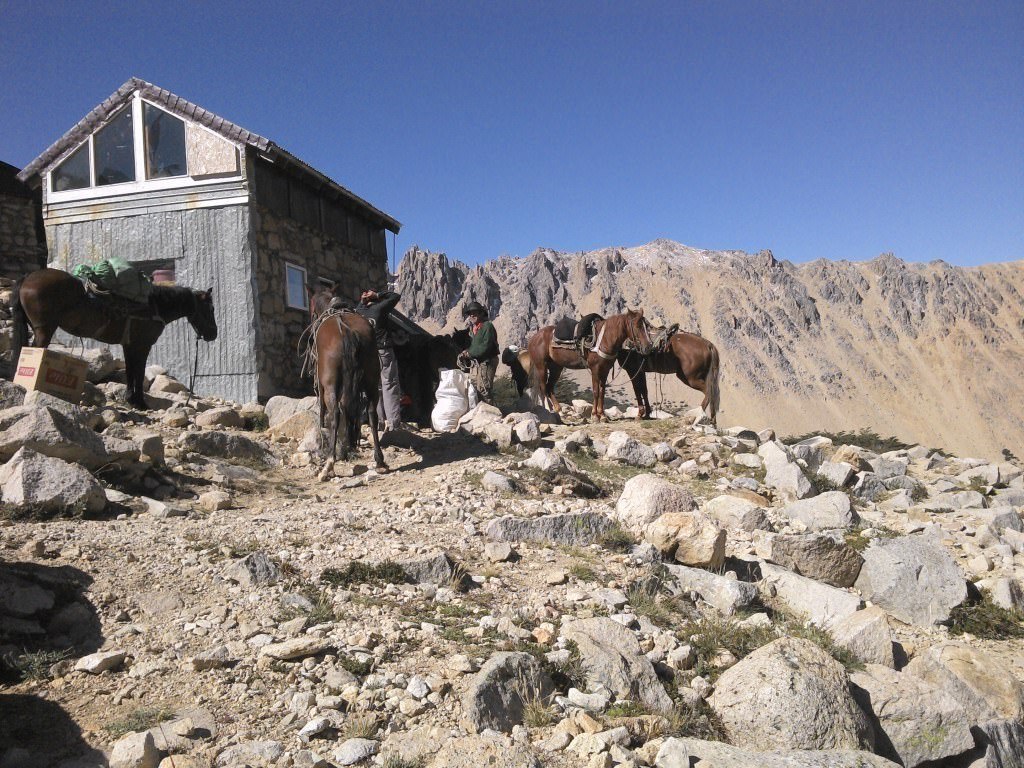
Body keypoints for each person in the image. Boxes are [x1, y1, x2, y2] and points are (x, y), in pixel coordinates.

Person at [356, 288, 404, 431]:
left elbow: (356, 309)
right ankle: (394, 424)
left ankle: (378, 423)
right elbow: (395, 296)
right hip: (383, 350)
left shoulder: (359, 313)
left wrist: (361, 302)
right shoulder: (380, 308)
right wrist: (377, 294)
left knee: (374, 387)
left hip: (366, 354)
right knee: (389, 384)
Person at [459, 301, 499, 405]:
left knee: (484, 388)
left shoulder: (487, 326)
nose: (472, 315)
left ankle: (490, 413)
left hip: (487, 361)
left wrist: (470, 354)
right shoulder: (475, 329)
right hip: (480, 362)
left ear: (481, 313)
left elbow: (485, 346)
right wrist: (467, 351)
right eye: (470, 313)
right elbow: (476, 347)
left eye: (475, 313)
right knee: (478, 387)